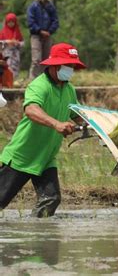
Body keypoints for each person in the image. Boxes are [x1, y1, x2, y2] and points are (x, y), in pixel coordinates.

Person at [0, 42, 86, 217]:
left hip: (46, 156)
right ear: (54, 65)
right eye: (67, 65)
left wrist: (99, 125)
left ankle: (38, 238)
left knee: (51, 199)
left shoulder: (68, 89)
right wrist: (56, 124)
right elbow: (31, 109)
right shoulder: (39, 85)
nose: (70, 69)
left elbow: (76, 115)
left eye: (72, 66)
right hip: (22, 156)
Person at [27, 0, 59, 79]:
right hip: (36, 35)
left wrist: (49, 31)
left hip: (48, 35)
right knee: (36, 59)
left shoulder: (50, 7)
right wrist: (40, 31)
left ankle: (45, 78)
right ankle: (33, 79)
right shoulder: (33, 7)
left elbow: (55, 21)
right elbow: (30, 22)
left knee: (47, 59)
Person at [0, 13, 25, 79]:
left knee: (15, 67)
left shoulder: (17, 31)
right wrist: (7, 41)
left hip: (15, 54)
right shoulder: (3, 32)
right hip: (6, 53)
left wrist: (18, 43)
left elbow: (22, 42)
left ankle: (15, 80)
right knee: (7, 66)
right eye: (9, 22)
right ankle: (7, 81)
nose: (11, 24)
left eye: (12, 22)